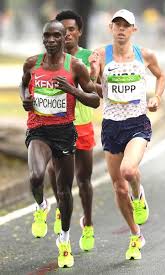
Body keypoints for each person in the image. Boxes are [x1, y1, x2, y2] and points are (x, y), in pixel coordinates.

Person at [20, 20, 100, 268]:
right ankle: (41, 205)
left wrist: (72, 91)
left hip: (65, 132)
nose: (51, 40)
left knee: (64, 192)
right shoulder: (32, 63)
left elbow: (95, 99)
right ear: (43, 38)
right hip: (38, 129)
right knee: (36, 177)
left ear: (65, 37)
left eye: (57, 35)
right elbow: (23, 85)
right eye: (47, 36)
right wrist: (26, 99)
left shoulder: (75, 65)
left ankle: (64, 239)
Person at [89, 9, 165, 260]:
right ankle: (136, 235)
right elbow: (91, 85)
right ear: (111, 28)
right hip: (111, 125)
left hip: (137, 123)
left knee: (128, 171)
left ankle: (139, 194)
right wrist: (92, 71)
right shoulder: (100, 54)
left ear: (134, 30)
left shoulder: (145, 55)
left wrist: (156, 97)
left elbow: (161, 75)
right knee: (118, 188)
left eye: (126, 26)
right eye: (117, 25)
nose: (121, 30)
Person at [46, 10, 97, 252]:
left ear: (79, 32)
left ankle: (87, 223)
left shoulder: (89, 57)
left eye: (71, 30)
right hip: (57, 125)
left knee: (83, 179)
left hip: (82, 124)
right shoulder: (50, 58)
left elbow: (99, 90)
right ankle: (61, 208)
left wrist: (93, 75)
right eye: (62, 30)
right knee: (53, 174)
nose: (66, 34)